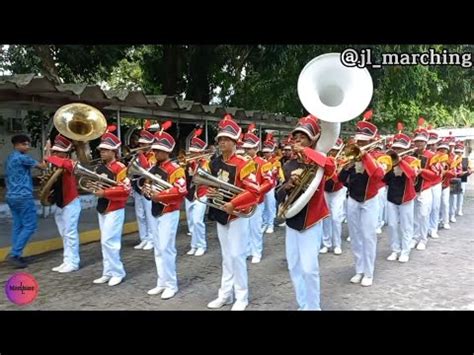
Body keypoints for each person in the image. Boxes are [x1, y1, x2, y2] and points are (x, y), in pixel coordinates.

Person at [277, 114, 335, 310]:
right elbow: (278, 195)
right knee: (294, 266)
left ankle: (314, 306)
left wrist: (307, 152)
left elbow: (330, 167)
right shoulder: (288, 165)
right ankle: (303, 305)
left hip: (311, 219)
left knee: (309, 268)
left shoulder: (318, 161)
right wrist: (286, 186)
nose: (298, 141)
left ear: (312, 140)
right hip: (293, 219)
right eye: (296, 137)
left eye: (303, 137)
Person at [206, 114, 260, 311]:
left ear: (235, 141)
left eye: (226, 139)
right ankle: (225, 294)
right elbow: (204, 186)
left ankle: (242, 296)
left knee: (237, 255)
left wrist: (234, 203)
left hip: (236, 214)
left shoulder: (244, 163)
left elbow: (253, 191)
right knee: (226, 256)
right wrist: (208, 192)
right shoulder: (213, 162)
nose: (222, 142)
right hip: (221, 211)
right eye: (220, 139)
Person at [338, 113, 385, 287]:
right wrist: (346, 166)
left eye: (364, 141)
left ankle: (369, 272)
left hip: (370, 199)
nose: (361, 143)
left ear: (372, 140)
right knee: (356, 236)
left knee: (368, 236)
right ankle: (359, 269)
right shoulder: (353, 155)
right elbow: (340, 179)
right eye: (359, 140)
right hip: (353, 199)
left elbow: (379, 175)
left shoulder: (381, 156)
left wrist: (365, 156)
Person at [145, 122, 187, 300]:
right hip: (155, 209)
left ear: (168, 151)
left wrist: (159, 196)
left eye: (159, 151)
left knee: (166, 248)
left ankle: (171, 284)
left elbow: (181, 191)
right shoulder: (153, 168)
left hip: (169, 211)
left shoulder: (176, 169)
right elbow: (147, 185)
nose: (156, 153)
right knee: (158, 248)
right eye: (154, 150)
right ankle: (161, 282)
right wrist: (146, 189)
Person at [91, 130, 131, 287]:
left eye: (105, 150)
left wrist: (104, 192)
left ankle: (118, 272)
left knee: (110, 241)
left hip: (115, 207)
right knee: (104, 242)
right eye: (101, 150)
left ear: (114, 151)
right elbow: (96, 184)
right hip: (102, 207)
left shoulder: (120, 167)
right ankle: (107, 272)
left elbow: (125, 189)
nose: (102, 152)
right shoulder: (100, 167)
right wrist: (95, 187)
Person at [5, 134, 47, 268]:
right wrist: (48, 151)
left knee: (18, 225)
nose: (27, 147)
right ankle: (15, 254)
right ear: (17, 145)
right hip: (23, 196)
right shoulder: (23, 158)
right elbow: (43, 166)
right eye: (24, 144)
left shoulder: (10, 157)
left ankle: (15, 253)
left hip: (11, 196)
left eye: (28, 144)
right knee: (30, 226)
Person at [45, 134, 82, 273]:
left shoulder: (70, 163)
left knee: (70, 233)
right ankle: (67, 260)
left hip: (71, 202)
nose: (55, 153)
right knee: (64, 233)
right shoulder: (56, 164)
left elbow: (63, 163)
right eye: (54, 151)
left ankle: (73, 262)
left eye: (57, 151)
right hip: (60, 202)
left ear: (65, 153)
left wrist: (48, 154)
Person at [383, 131, 417, 263]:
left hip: (406, 197)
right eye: (395, 148)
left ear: (407, 149)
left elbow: (412, 175)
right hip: (392, 196)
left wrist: (401, 161)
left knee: (406, 225)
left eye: (400, 149)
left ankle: (405, 250)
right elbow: (384, 179)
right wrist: (389, 166)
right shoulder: (389, 161)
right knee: (392, 225)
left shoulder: (413, 161)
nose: (397, 151)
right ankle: (395, 249)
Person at [242, 124, 274, 264]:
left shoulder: (263, 163)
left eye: (249, 149)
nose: (246, 151)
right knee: (245, 228)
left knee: (255, 228)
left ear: (256, 149)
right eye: (245, 148)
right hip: (243, 200)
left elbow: (269, 182)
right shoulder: (241, 162)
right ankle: (248, 250)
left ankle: (257, 252)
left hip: (256, 200)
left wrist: (258, 192)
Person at [184, 129, 209, 257]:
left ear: (200, 153)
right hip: (190, 194)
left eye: (195, 152)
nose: (192, 154)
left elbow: (205, 177)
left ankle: (201, 245)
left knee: (198, 220)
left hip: (201, 193)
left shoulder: (205, 164)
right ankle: (194, 245)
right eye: (191, 151)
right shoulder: (190, 163)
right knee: (191, 221)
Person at [130, 129, 156, 250]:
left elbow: (146, 168)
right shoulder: (138, 155)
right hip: (137, 187)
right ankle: (144, 238)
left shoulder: (153, 156)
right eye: (140, 144)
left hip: (148, 188)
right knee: (140, 214)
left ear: (150, 144)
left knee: (149, 214)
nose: (140, 146)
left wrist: (140, 154)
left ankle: (152, 238)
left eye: (143, 144)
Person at [321, 138, 346, 255]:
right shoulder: (324, 160)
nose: (332, 153)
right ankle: (326, 244)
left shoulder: (343, 161)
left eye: (335, 151)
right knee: (325, 217)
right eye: (331, 150)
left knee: (336, 218)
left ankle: (337, 244)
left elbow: (338, 179)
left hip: (337, 191)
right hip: (325, 190)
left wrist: (335, 167)